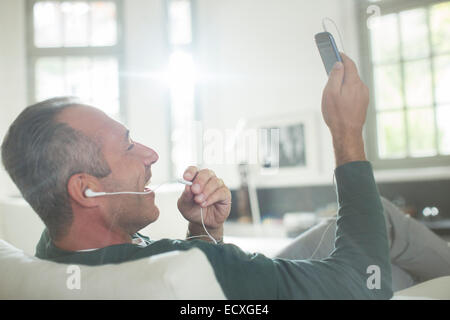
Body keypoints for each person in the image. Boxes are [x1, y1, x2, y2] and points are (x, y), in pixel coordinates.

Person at [2, 54, 396, 299]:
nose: (151, 154)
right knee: (389, 225)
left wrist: (204, 230)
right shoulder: (205, 263)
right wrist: (347, 132)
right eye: (127, 145)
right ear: (85, 190)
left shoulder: (54, 251)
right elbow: (367, 283)